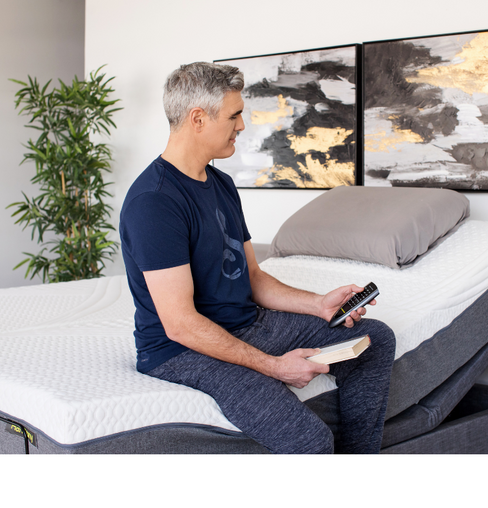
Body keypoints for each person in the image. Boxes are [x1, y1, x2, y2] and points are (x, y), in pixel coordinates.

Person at [119, 62, 395, 454]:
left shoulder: (220, 183)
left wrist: (318, 305)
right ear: (198, 119)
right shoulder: (155, 202)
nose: (242, 125)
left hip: (246, 324)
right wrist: (275, 365)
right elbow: (180, 325)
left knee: (374, 340)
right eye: (234, 115)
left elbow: (252, 275)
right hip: (180, 351)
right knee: (310, 442)